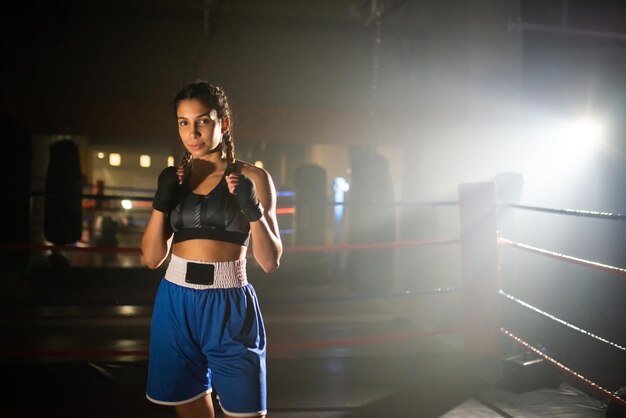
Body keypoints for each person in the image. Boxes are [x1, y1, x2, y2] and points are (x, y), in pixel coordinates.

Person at [141, 80, 282, 418]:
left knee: (247, 412)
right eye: (183, 122)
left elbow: (270, 260)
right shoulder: (175, 178)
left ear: (224, 123)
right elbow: (151, 258)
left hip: (229, 302)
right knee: (187, 404)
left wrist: (254, 213)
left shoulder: (253, 177)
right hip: (175, 301)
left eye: (203, 120)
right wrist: (161, 204)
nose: (193, 132)